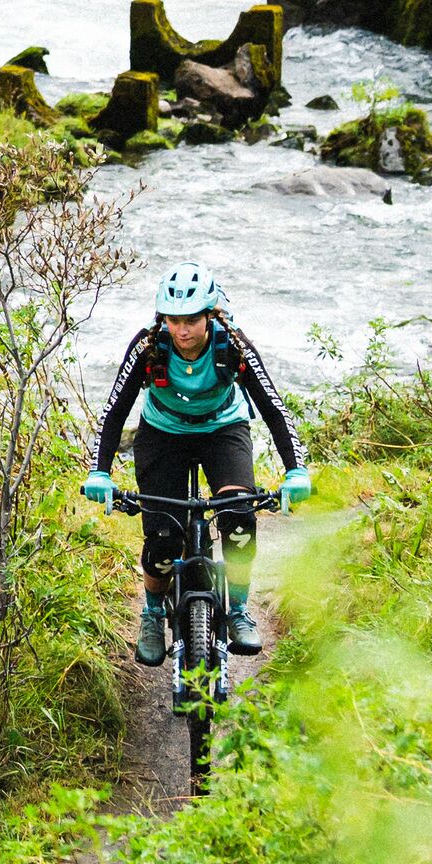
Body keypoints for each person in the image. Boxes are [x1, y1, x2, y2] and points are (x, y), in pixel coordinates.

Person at [81, 262, 311, 661]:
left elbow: (273, 407)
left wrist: (296, 470)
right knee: (163, 539)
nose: (181, 330)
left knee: (239, 519)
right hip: (163, 434)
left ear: (209, 316)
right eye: (173, 320)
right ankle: (152, 615)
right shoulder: (148, 346)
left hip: (223, 429)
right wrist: (99, 471)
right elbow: (115, 409)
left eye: (190, 320)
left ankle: (238, 609)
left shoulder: (233, 345)